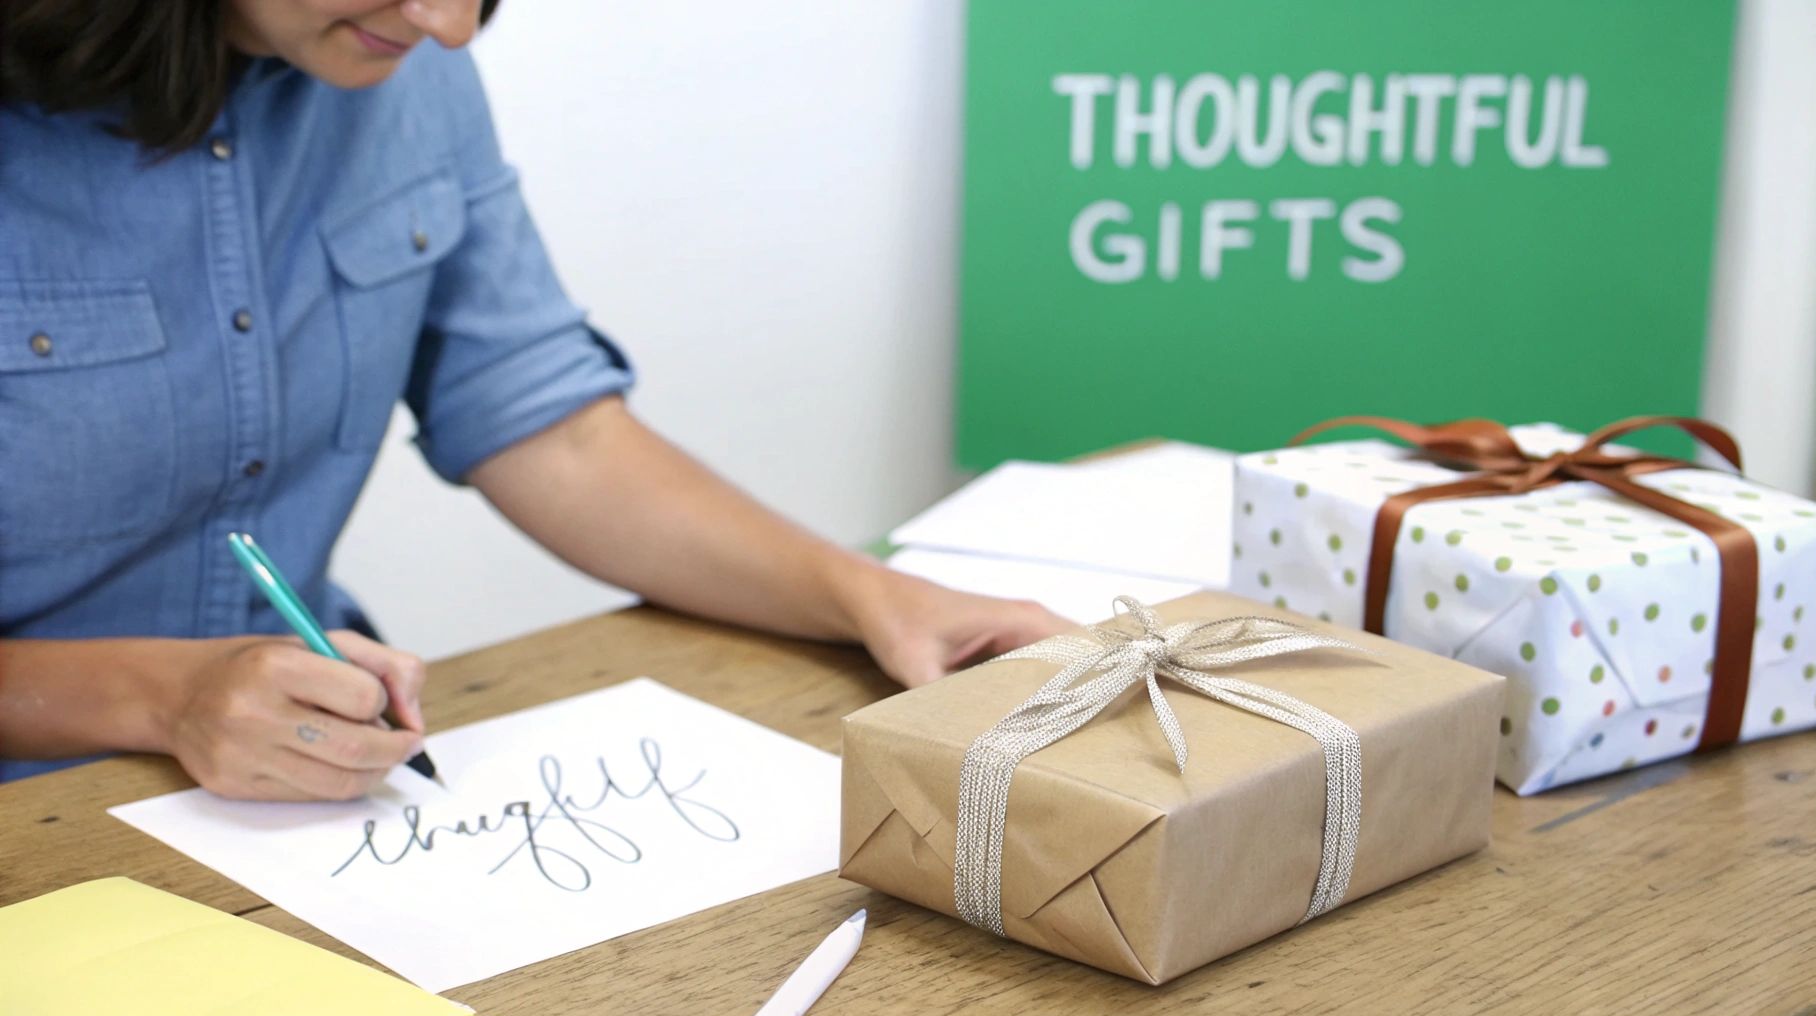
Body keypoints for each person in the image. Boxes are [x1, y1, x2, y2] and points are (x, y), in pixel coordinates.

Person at [0, 0, 1071, 799]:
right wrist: (162, 694)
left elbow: (548, 430)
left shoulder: (396, 61)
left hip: (312, 779)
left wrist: (874, 599)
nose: (450, 25)